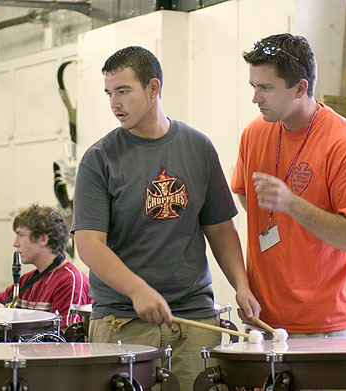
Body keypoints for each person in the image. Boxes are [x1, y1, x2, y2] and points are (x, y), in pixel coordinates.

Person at [72, 46, 257, 390]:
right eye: (109, 93)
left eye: (123, 91)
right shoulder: (99, 159)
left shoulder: (198, 147)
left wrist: (241, 285)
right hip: (123, 319)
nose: (114, 103)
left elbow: (219, 227)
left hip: (194, 317)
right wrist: (138, 290)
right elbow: (89, 246)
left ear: (154, 88)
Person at [231, 33, 346, 337]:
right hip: (266, 321)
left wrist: (292, 205)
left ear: (300, 88)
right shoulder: (254, 133)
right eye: (254, 87)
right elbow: (247, 197)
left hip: (329, 325)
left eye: (266, 88)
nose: (256, 98)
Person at [0, 204, 91, 328]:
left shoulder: (71, 281)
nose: (15, 243)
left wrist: (10, 317)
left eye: (20, 235)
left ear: (43, 239)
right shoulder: (26, 281)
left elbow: (64, 339)